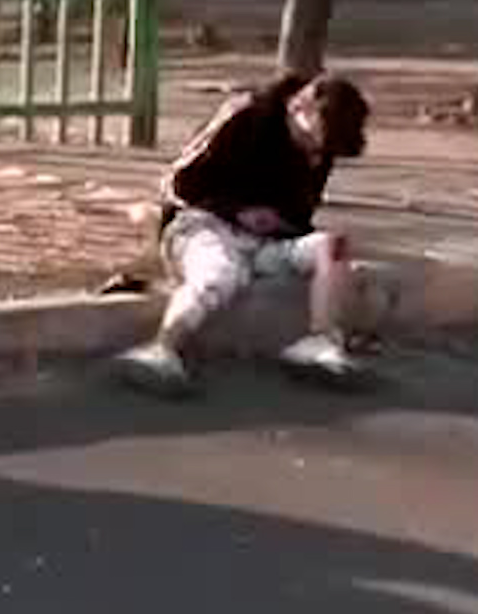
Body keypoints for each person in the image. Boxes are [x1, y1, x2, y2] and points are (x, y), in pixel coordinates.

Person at [115, 73, 371, 395]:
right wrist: (236, 211)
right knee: (219, 274)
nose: (314, 155)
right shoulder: (246, 115)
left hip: (265, 241)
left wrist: (279, 223)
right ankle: (161, 349)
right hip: (202, 225)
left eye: (322, 149)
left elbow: (301, 214)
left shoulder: (321, 145)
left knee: (332, 246)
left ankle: (320, 342)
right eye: (312, 142)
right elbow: (178, 183)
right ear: (299, 106)